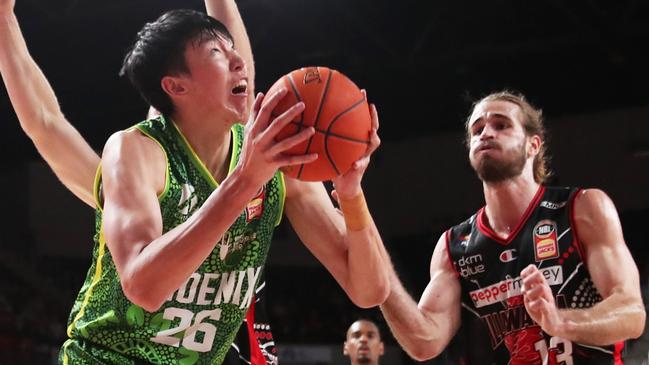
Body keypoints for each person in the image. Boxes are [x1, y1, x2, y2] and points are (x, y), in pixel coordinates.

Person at [0, 2, 391, 365]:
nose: (240, 62)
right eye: (217, 54)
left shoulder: (272, 160)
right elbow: (144, 287)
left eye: (232, 50)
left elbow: (369, 291)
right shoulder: (137, 154)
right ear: (175, 88)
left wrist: (351, 194)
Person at [380, 91, 646, 364]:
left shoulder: (582, 208)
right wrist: (376, 261)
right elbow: (424, 343)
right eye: (477, 129)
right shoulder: (455, 246)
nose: (486, 133)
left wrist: (561, 322)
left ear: (533, 145)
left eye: (501, 125)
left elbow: (631, 313)